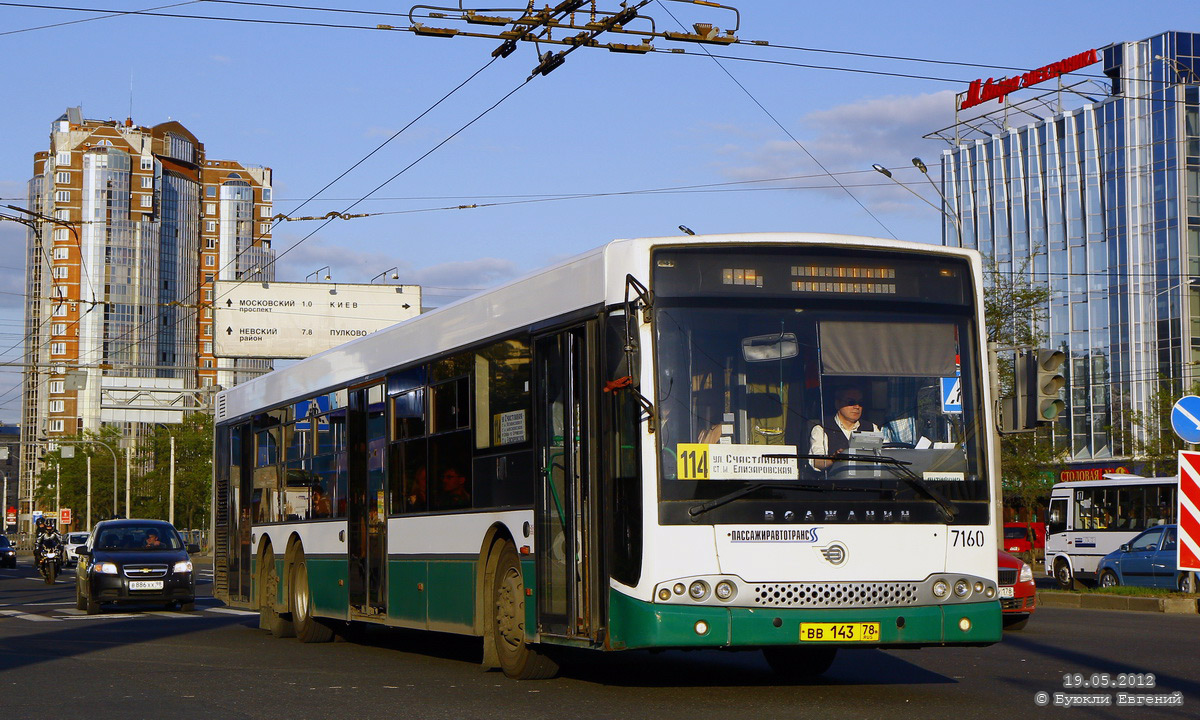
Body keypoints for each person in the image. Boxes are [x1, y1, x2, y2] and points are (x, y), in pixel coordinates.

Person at [809, 385, 879, 469]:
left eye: (860, 403)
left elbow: (887, 453)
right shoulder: (821, 428)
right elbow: (816, 462)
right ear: (837, 403)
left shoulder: (872, 428)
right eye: (851, 402)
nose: (857, 407)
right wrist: (834, 459)